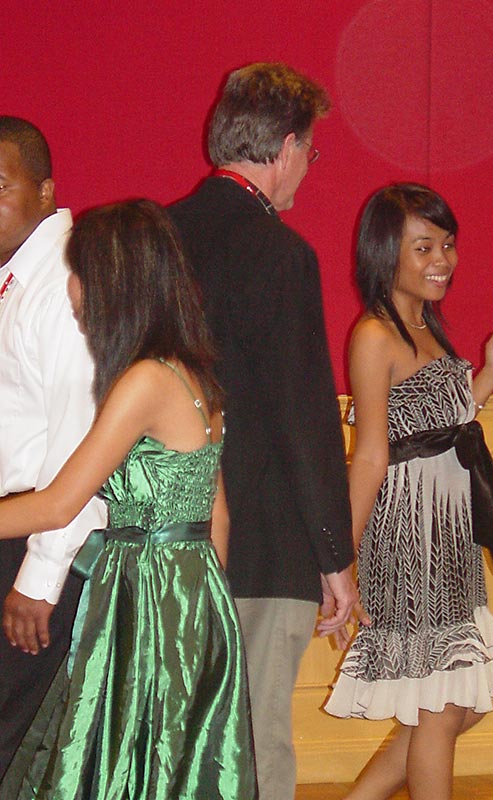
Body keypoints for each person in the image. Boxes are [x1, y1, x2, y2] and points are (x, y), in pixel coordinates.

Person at [0, 200, 257, 800]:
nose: (71, 288)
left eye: (79, 271)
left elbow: (58, 504)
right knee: (160, 762)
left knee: (124, 763)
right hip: (181, 591)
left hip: (149, 592)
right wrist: (202, 611)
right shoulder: (190, 372)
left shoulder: (145, 380)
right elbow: (217, 517)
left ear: (115, 281)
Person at [170, 62, 360, 800]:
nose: (308, 167)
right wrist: (335, 557)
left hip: (165, 533)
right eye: (310, 151)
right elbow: (302, 415)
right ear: (285, 149)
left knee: (179, 736)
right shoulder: (280, 253)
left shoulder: (156, 236)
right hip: (265, 542)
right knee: (254, 741)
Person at [325, 183, 493, 800]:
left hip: (448, 537)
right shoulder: (374, 335)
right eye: (423, 247)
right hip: (410, 539)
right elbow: (371, 455)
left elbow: (439, 426)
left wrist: (488, 376)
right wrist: (340, 560)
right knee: (442, 709)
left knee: (452, 707)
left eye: (447, 244)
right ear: (386, 254)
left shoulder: (425, 326)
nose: (442, 259)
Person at [0, 116, 106, 783]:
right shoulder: (17, 275)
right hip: (14, 531)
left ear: (46, 190)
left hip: (38, 546)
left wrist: (39, 581)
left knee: (18, 747)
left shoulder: (64, 279)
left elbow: (78, 444)